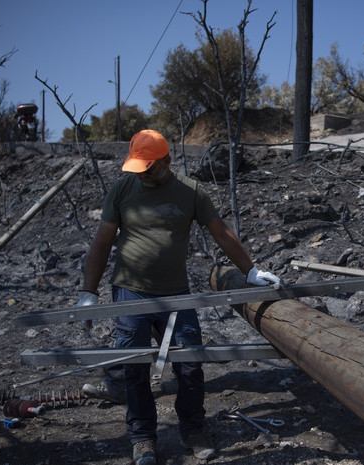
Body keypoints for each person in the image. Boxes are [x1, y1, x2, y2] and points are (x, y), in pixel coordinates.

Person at [77, 129, 280, 464]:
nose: (143, 172)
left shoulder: (189, 192)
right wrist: (88, 291)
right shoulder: (122, 188)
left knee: (189, 363)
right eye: (138, 166)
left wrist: (250, 270)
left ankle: (193, 429)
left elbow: (221, 232)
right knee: (135, 366)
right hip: (131, 290)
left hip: (175, 293)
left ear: (167, 161)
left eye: (149, 167)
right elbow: (101, 241)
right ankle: (142, 438)